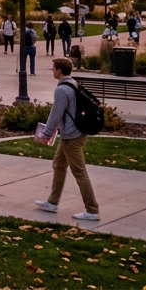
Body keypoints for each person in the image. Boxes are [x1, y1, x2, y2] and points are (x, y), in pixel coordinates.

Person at [34, 57, 100, 221]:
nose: (53, 70)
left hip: (71, 136)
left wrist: (46, 133)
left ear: (58, 70)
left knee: (79, 172)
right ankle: (52, 202)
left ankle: (92, 210)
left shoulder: (62, 90)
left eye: (53, 68)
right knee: (58, 165)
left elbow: (56, 114)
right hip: (72, 133)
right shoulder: (73, 84)